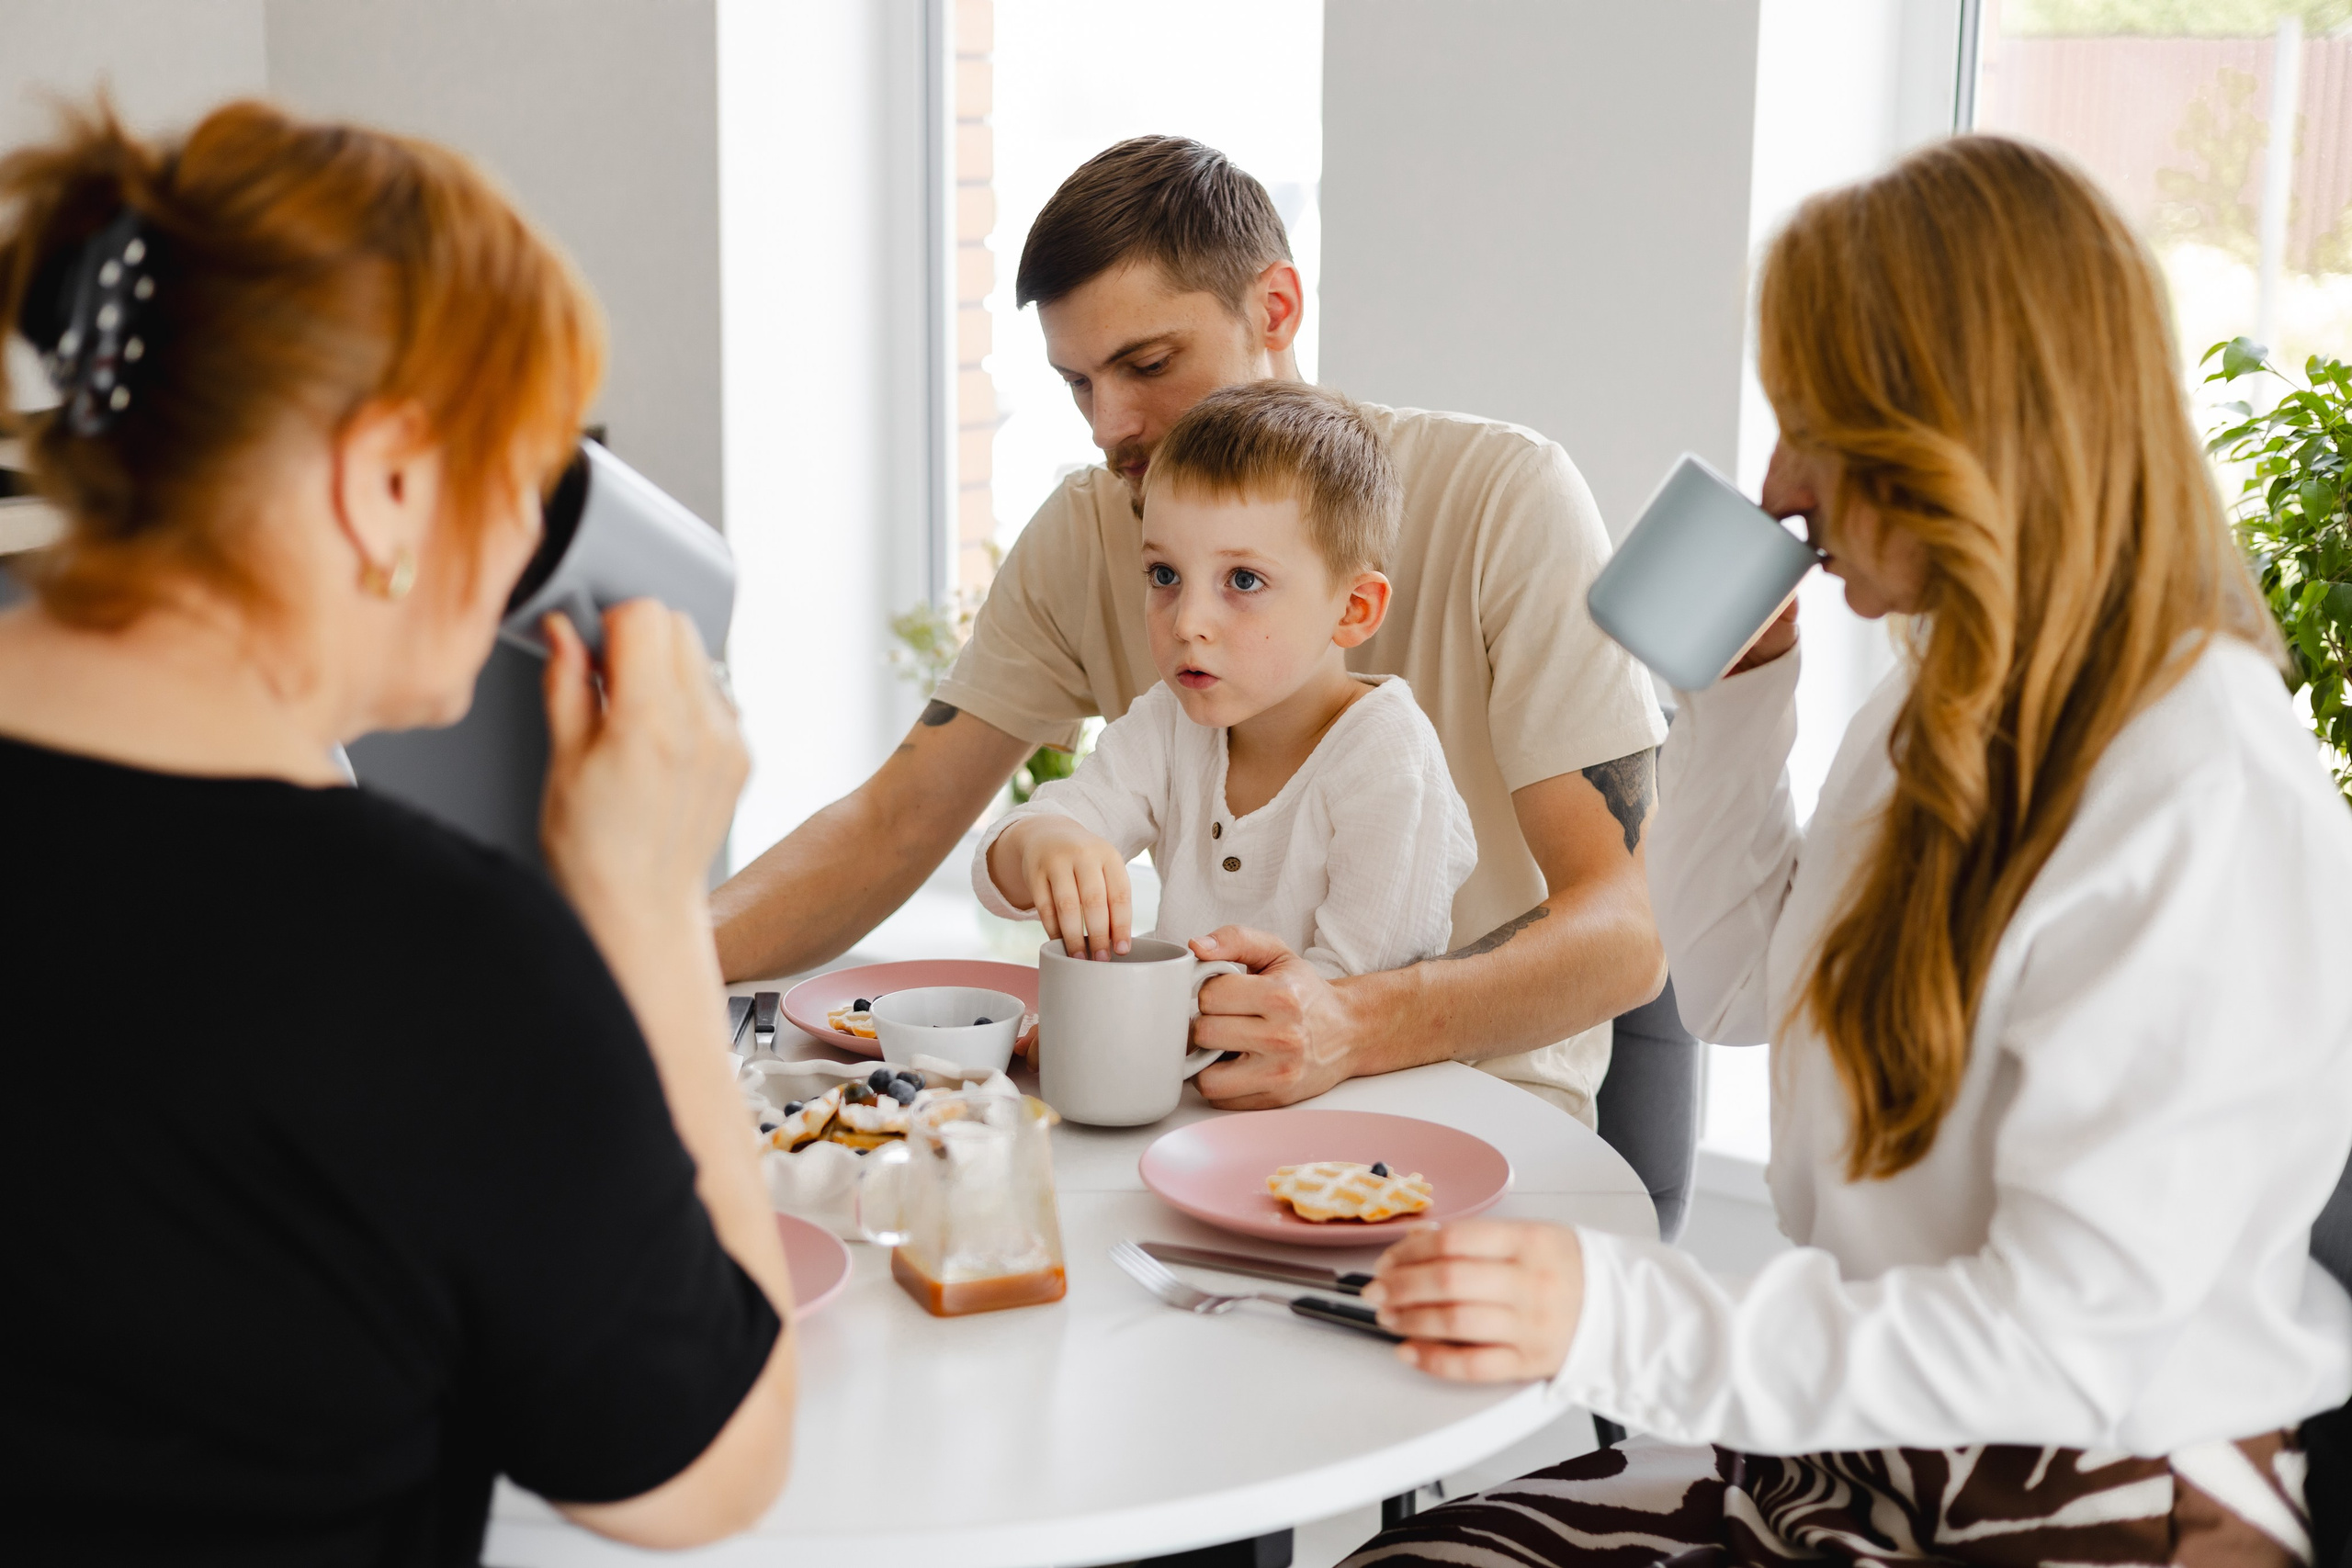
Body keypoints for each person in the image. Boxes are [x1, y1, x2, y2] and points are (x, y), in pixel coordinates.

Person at [1340, 135, 2352, 1561]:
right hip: (1873, 1443)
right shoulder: (1951, 701)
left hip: (2097, 1492)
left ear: (1946, 434)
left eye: (1812, 426)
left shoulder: (2200, 782)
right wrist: (1741, 692)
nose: (1777, 481)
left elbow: (2068, 1335)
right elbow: (1731, 985)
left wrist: (1621, 1317)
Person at [0, 102, 795, 1563]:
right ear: (387, 485)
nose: (528, 547)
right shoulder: (435, 960)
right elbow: (702, 1468)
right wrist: (646, 903)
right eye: (526, 470)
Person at [718, 137, 1668, 1123]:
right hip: (1201, 1095)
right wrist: (642, 964)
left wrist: (1348, 1023)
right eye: (1079, 384)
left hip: (1477, 1110)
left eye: (1148, 364)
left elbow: (1627, 930)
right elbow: (899, 821)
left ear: (1276, 309)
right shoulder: (1089, 529)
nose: (1108, 426)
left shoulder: (1506, 498)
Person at [978, 380, 1476, 978]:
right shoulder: (1169, 722)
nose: (1187, 623)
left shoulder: (1390, 759)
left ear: (1353, 609)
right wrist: (1043, 841)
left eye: (1243, 580)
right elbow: (998, 870)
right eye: (1164, 574)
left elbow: (1352, 1006)